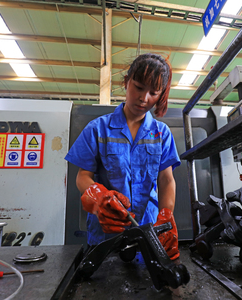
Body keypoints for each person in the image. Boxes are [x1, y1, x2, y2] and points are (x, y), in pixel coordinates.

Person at [65, 53, 181, 260]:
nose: (144, 98)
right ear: (127, 82)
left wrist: (165, 216)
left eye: (153, 93)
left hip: (148, 229)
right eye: (138, 87)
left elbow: (166, 179)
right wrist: (98, 197)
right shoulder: (98, 129)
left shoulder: (161, 134)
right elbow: (82, 176)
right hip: (105, 233)